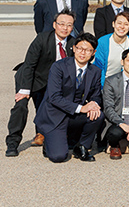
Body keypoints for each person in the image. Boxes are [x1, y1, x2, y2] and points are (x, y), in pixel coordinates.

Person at [6, 10, 75, 157]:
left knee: (46, 106)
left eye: (69, 25)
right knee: (21, 107)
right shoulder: (42, 39)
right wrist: (25, 90)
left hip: (50, 81)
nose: (65, 28)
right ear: (54, 25)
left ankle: (43, 134)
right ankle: (12, 142)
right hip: (29, 77)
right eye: (61, 24)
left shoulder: (73, 44)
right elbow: (29, 65)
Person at [33, 33, 103, 162]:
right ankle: (48, 141)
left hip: (74, 115)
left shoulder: (95, 71)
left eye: (88, 50)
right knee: (58, 157)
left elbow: (96, 95)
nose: (83, 53)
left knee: (97, 115)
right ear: (74, 48)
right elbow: (54, 97)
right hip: (55, 115)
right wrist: (82, 108)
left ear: (93, 52)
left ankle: (81, 146)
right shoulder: (59, 66)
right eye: (80, 48)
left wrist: (94, 104)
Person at [93, 11, 129, 86]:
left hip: (121, 83)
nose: (122, 27)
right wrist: (104, 87)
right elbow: (99, 67)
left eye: (126, 24)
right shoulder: (102, 42)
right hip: (102, 82)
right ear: (113, 24)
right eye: (119, 23)